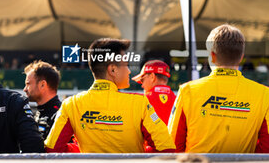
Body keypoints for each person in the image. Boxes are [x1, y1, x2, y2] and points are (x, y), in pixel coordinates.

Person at [45, 38, 175, 153]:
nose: (129, 71)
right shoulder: (140, 103)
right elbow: (166, 148)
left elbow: (52, 148)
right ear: (113, 69)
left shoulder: (71, 104)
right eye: (126, 65)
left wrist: (83, 151)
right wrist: (139, 153)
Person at [169, 24, 269, 153]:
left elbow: (173, 144)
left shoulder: (188, 91)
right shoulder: (264, 94)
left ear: (211, 55)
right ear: (241, 57)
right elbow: (266, 147)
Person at [23, 60, 62, 139]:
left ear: (42, 84)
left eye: (28, 84)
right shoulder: (40, 112)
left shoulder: (60, 115)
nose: (25, 89)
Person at [132, 60, 176, 125]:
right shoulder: (178, 100)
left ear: (152, 77)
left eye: (142, 80)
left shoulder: (143, 101)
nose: (142, 85)